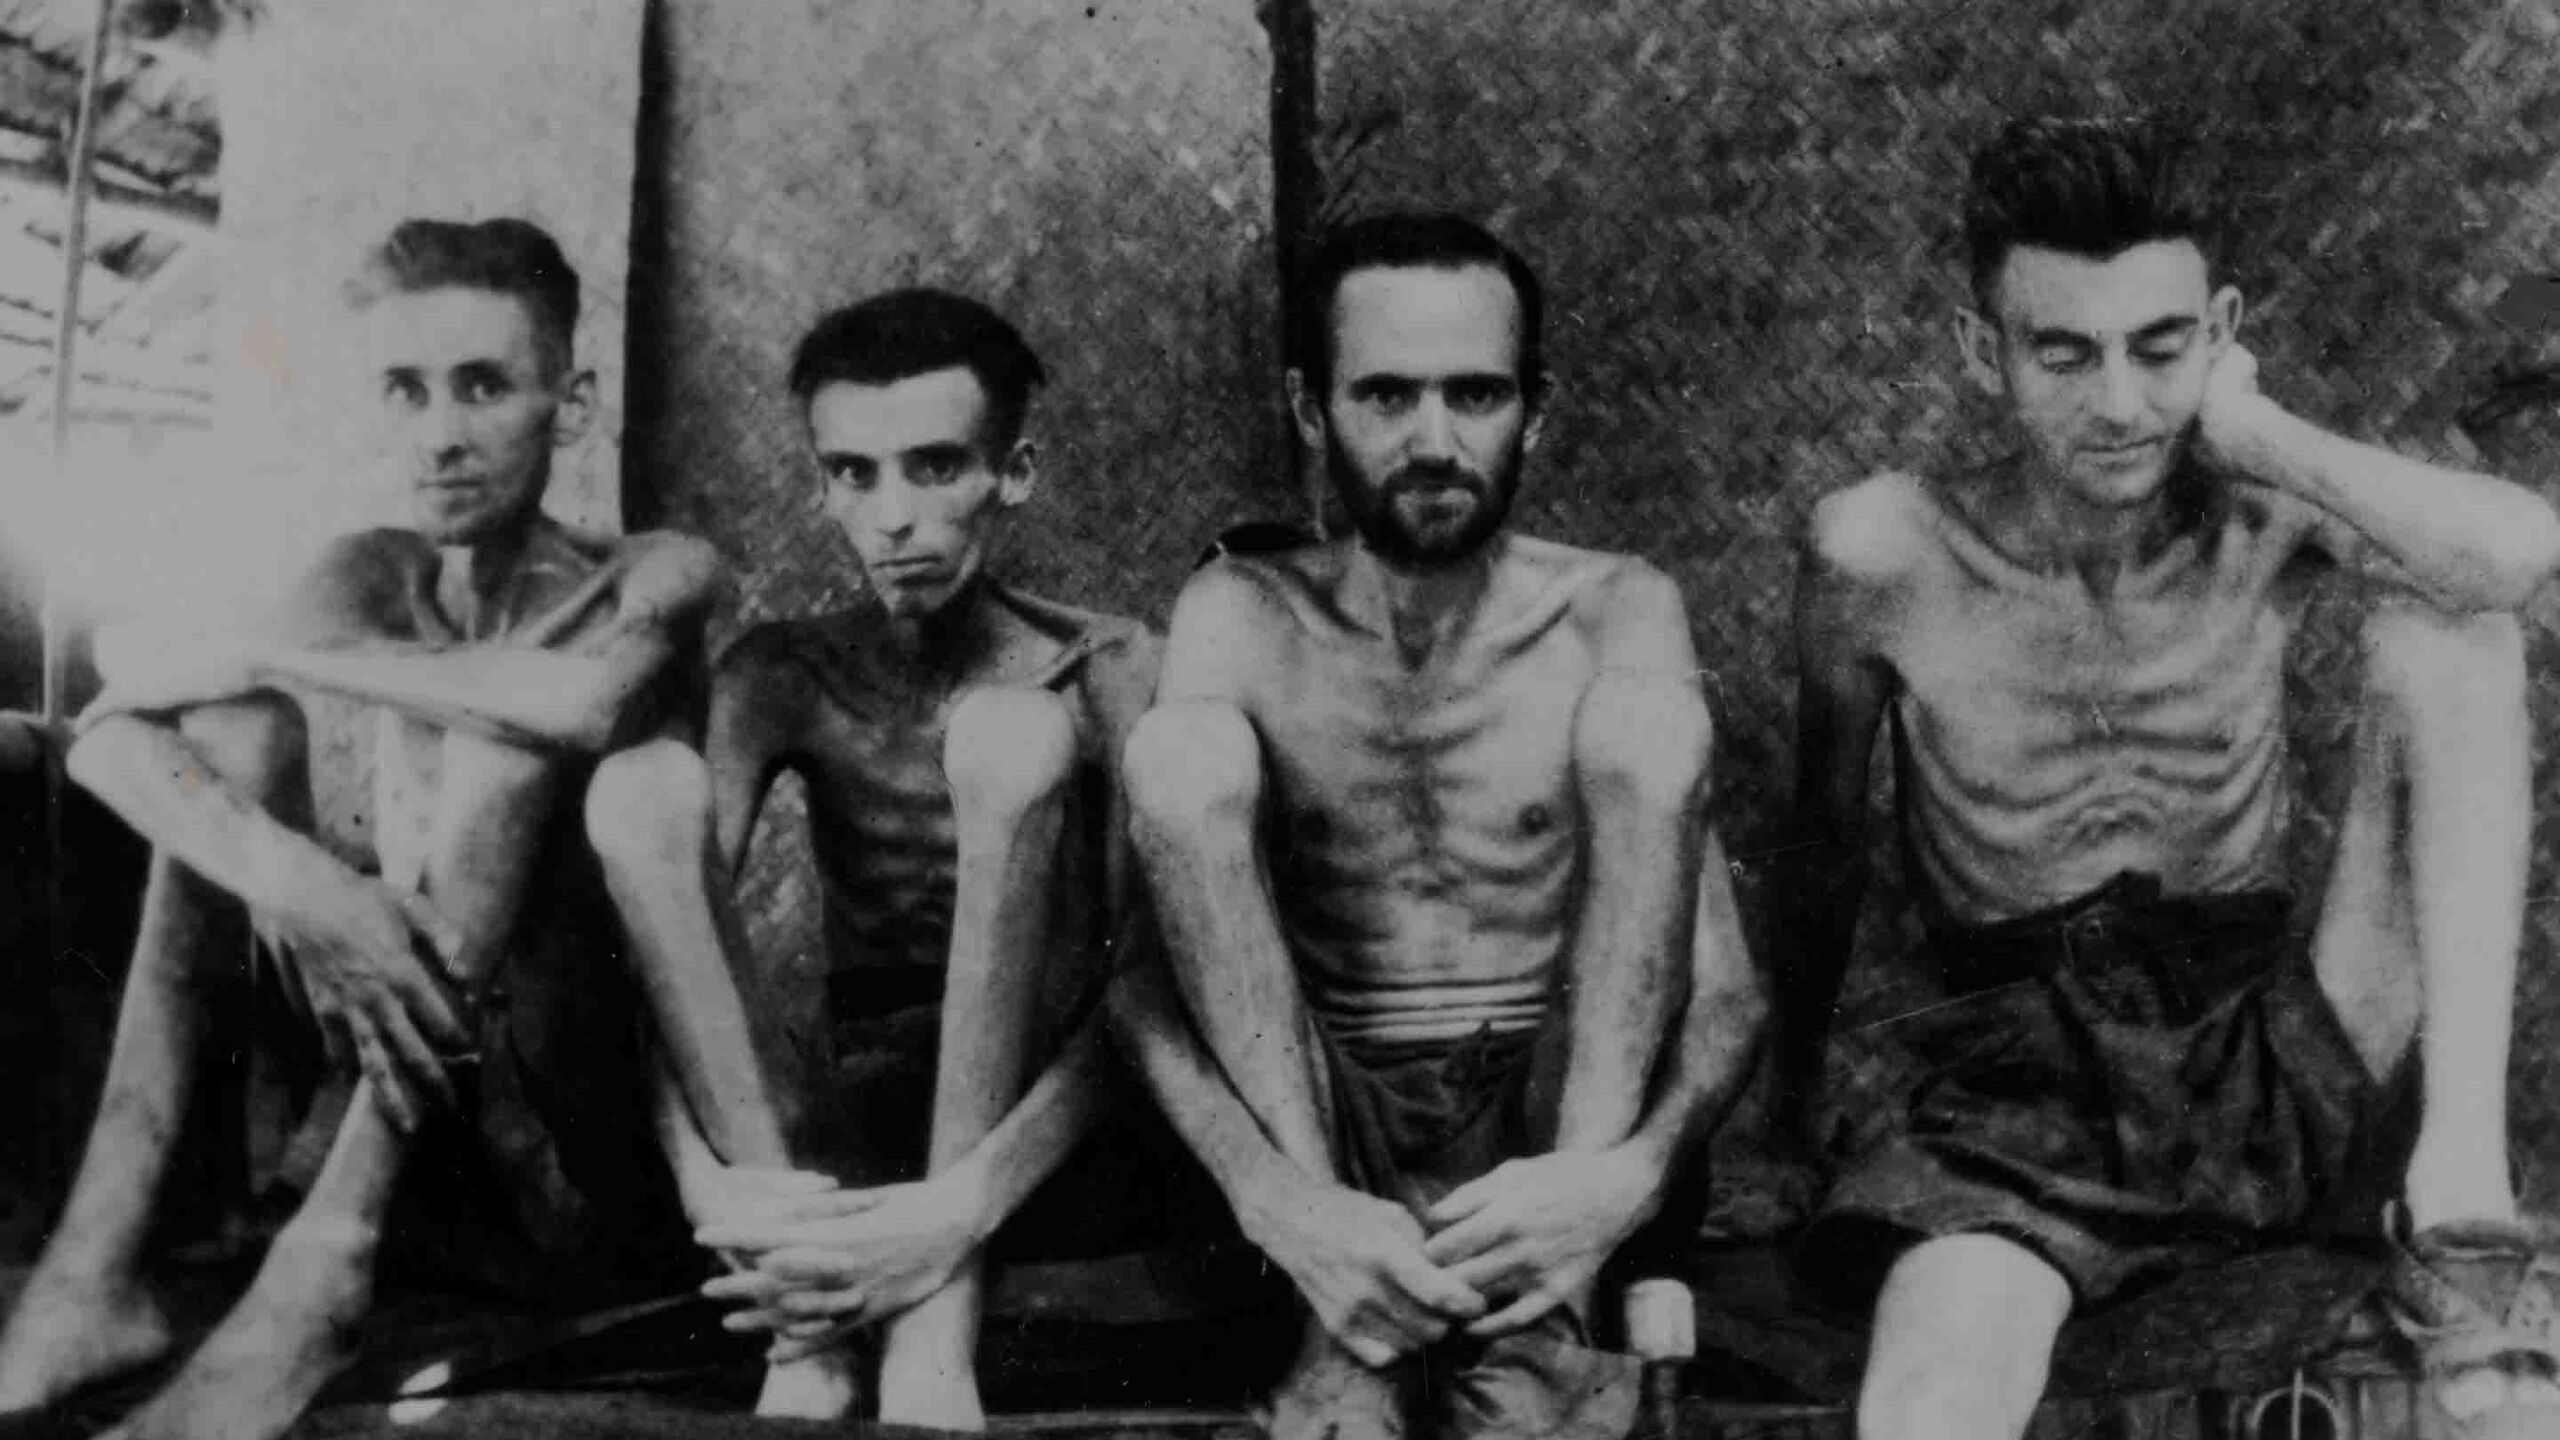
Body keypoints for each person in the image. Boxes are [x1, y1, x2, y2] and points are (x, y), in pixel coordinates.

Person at [1786, 115, 2560, 1440]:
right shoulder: (1882, 555)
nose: (2121, 405)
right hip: (2013, 1089)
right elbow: (1819, 844)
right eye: (2064, 353)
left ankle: (2463, 1208)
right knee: (1931, 1399)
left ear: (2219, 328)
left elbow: (2520, 554)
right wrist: (1791, 1101)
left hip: (2266, 1041)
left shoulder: (2260, 503)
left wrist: (2258, 431)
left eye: (2160, 346)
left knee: (2455, 634)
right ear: (1986, 352)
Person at [0, 218, 813, 1440]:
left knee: (500, 732)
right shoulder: (363, 570)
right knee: (234, 735)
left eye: (484, 386)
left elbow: (579, 704)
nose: (440, 434)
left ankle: (320, 1275)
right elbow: (113, 733)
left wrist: (273, 648)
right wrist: (310, 892)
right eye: (405, 390)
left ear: (569, 401)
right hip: (373, 1085)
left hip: (576, 1146)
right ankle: (92, 1274)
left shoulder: (654, 568)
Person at [1110, 212, 1766, 1440]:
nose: (1433, 440)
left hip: (1557, 1113)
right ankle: (1334, 1319)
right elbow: (1142, 989)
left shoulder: (1614, 609)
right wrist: (1276, 1201)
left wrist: (1616, 1184)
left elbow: (1727, 992)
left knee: (1649, 731)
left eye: (1474, 394)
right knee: (1178, 752)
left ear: (1536, 407)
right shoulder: (1239, 612)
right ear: (1312, 411)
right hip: (1320, 1122)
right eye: (1385, 395)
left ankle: (1549, 1323)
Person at [629, 290, 1169, 1431]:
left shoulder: (1107, 665)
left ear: (1010, 472)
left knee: (1013, 736)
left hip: (1037, 1131)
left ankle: (938, 1343)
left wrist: (967, 1202)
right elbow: (672, 965)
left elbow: (1144, 997)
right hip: (850, 1116)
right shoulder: (780, 672)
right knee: (642, 797)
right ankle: (805, 1336)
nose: (894, 518)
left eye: (934, 467)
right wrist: (704, 1181)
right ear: (823, 486)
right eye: (855, 474)